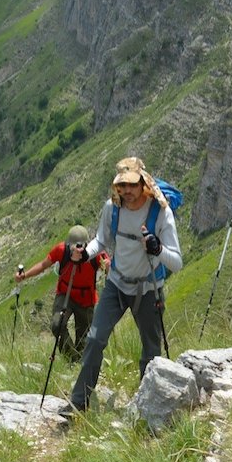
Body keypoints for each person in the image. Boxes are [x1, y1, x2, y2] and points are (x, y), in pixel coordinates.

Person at [68, 157, 183, 413]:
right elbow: (101, 241)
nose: (127, 192)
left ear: (143, 182)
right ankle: (78, 403)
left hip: (148, 289)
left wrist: (157, 248)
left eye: (132, 185)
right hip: (116, 285)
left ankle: (147, 407)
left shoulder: (161, 211)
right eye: (122, 186)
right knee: (95, 340)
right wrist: (85, 254)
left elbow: (176, 262)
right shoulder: (113, 208)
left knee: (151, 352)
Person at [15, 225, 110, 362]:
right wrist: (24, 275)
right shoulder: (61, 250)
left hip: (86, 298)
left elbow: (109, 270)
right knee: (57, 325)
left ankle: (79, 362)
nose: (77, 249)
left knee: (83, 336)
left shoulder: (95, 254)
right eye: (73, 246)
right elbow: (43, 265)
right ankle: (72, 358)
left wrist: (107, 266)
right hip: (65, 294)